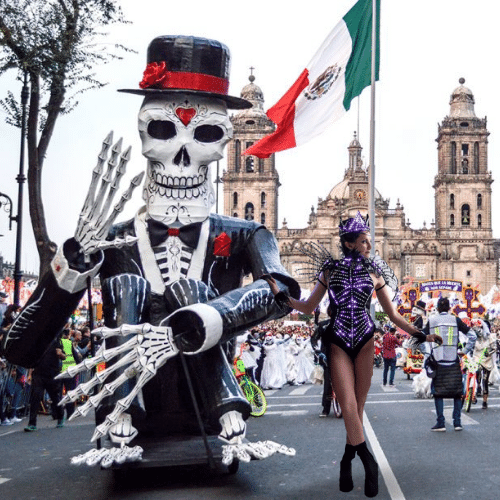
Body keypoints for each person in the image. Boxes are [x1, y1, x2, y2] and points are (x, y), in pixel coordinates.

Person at [3, 35, 300, 466]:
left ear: (220, 145)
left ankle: (221, 392)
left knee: (191, 296)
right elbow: (20, 350)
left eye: (204, 134)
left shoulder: (245, 233)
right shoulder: (113, 238)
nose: (182, 157)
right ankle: (124, 401)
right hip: (130, 417)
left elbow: (279, 290)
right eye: (163, 130)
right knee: (126, 284)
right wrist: (69, 270)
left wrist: (207, 317)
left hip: (214, 409)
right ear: (144, 135)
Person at [264, 212, 442, 498]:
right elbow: (310, 307)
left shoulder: (374, 273)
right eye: (363, 240)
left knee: (356, 410)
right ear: (349, 243)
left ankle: (347, 461)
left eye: (369, 239)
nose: (369, 245)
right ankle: (368, 461)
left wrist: (420, 334)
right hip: (337, 340)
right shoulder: (329, 270)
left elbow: (394, 315)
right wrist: (281, 296)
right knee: (346, 404)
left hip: (365, 340)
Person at [422, 296, 475, 432]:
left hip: (438, 362)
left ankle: (441, 423)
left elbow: (420, 338)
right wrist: (464, 351)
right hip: (453, 362)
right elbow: (472, 336)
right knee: (457, 393)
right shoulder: (456, 320)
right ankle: (457, 423)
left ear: (438, 308)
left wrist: (428, 353)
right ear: (449, 308)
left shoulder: (432, 320)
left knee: (438, 393)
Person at [24, 335, 66, 432]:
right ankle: (32, 423)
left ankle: (60, 417)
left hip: (52, 374)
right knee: (35, 398)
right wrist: (30, 374)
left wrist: (60, 354)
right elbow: (32, 361)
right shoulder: (37, 343)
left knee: (55, 398)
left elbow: (64, 357)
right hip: (38, 374)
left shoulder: (56, 342)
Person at [471, 319, 496, 409]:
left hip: (487, 360)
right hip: (477, 359)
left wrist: (488, 353)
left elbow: (494, 348)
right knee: (476, 375)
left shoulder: (490, 337)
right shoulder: (474, 338)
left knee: (485, 380)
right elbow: (470, 346)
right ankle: (475, 391)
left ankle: (485, 401)